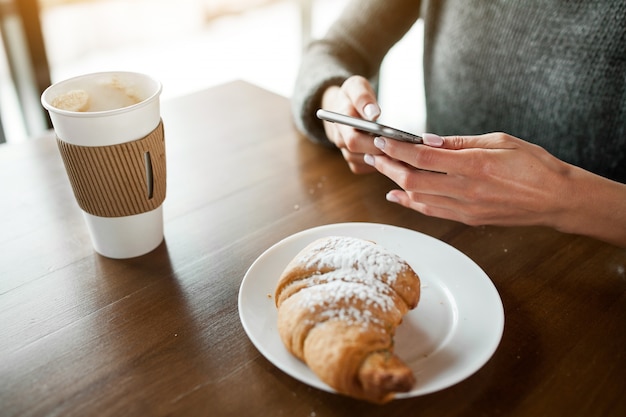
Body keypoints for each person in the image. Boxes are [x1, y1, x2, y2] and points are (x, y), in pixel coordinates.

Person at [291, 0, 626, 248]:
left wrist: (565, 197)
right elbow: (334, 49)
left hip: (592, 273)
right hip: (442, 236)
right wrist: (334, 103)